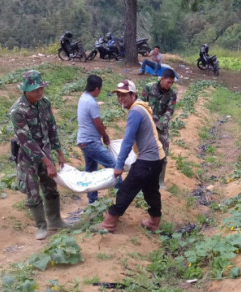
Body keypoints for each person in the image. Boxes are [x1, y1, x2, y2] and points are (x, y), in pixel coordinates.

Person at [98, 80, 165, 233]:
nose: (120, 99)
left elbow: (128, 141)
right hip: (157, 158)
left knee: (126, 190)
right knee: (151, 191)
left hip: (147, 159)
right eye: (118, 96)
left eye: (124, 95)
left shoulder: (135, 112)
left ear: (133, 95)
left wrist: (119, 165)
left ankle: (109, 223)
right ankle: (154, 222)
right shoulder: (141, 107)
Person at [10, 70, 69, 240]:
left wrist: (59, 152)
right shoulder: (17, 111)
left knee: (50, 185)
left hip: (46, 151)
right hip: (27, 156)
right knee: (32, 190)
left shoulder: (44, 103)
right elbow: (26, 140)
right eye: (36, 90)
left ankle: (55, 221)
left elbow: (52, 128)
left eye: (41, 89)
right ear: (26, 90)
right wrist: (48, 163)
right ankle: (41, 226)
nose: (40, 93)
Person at [76, 74, 118, 204]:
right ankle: (123, 195)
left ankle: (92, 202)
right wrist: (105, 136)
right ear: (97, 88)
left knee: (90, 171)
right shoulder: (91, 102)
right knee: (114, 166)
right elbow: (98, 123)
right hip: (91, 142)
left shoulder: (83, 97)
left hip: (83, 141)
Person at [141, 68, 177, 188]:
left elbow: (169, 112)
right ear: (162, 79)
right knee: (144, 153)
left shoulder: (172, 94)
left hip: (161, 126)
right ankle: (143, 178)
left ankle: (160, 181)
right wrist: (148, 123)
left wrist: (159, 125)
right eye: (168, 82)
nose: (170, 85)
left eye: (172, 83)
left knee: (163, 152)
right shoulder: (149, 87)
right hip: (146, 124)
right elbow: (141, 105)